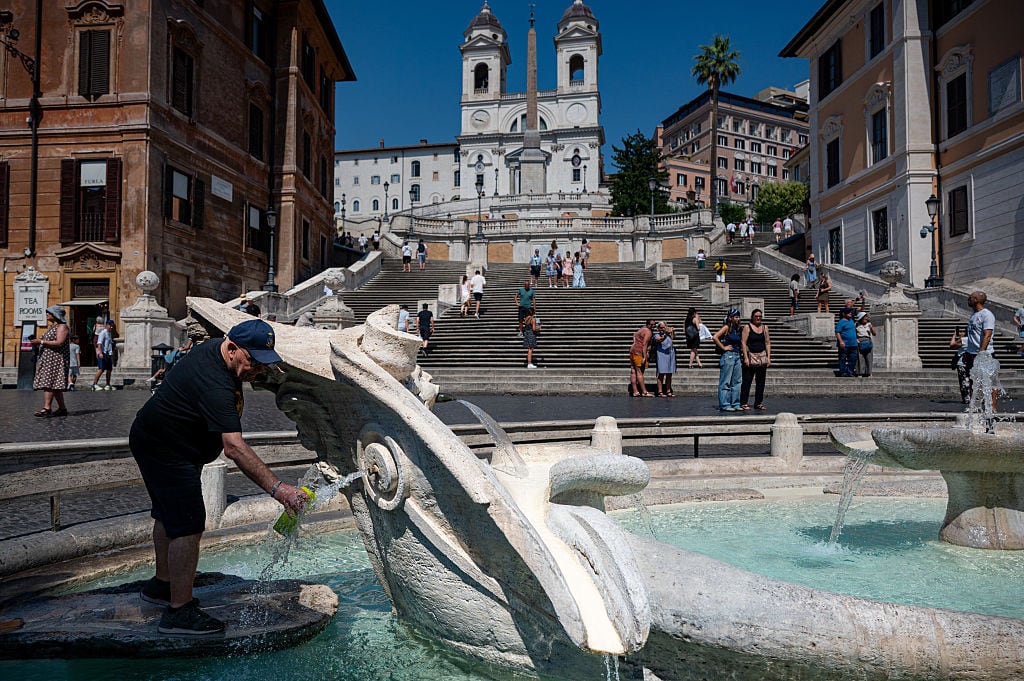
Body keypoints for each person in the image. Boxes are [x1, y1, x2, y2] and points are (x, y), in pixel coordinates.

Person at [131, 319, 308, 636]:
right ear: (231, 348)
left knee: (168, 514)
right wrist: (279, 490)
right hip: (168, 450)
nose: (257, 370)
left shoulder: (219, 354)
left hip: (157, 439)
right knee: (188, 524)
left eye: (262, 362)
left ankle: (162, 584)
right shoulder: (216, 384)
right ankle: (179, 613)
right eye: (252, 360)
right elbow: (234, 448)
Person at [32, 305, 71, 417]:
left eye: (49, 313)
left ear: (55, 315)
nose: (47, 314)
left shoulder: (62, 327)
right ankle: (62, 409)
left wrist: (41, 342)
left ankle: (47, 408)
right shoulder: (53, 326)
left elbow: (59, 342)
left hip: (56, 359)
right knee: (55, 386)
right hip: (49, 359)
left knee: (48, 384)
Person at [963, 290, 996, 405]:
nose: (968, 299)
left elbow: (987, 335)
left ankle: (992, 408)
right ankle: (974, 406)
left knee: (989, 381)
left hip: (984, 353)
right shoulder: (974, 315)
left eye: (970, 298)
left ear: (976, 300)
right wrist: (967, 351)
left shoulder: (987, 315)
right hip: (971, 353)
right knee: (972, 380)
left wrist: (980, 353)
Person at [740, 309, 771, 411]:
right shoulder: (747, 327)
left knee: (761, 381)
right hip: (750, 357)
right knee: (747, 381)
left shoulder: (765, 327)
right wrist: (745, 357)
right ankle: (744, 402)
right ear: (752, 317)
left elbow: (767, 343)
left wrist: (768, 357)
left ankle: (758, 402)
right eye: (756, 316)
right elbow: (743, 342)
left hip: (761, 357)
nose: (758, 318)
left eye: (760, 316)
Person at [713, 309, 743, 411]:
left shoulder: (738, 329)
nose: (738, 319)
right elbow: (715, 337)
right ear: (730, 318)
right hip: (728, 356)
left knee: (737, 381)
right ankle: (725, 404)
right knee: (726, 381)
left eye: (738, 317)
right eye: (736, 317)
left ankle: (735, 403)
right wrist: (724, 347)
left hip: (737, 356)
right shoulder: (726, 328)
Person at [629, 319, 655, 398]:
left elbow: (634, 334)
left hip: (632, 351)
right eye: (651, 325)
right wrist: (644, 356)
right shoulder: (648, 332)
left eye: (654, 325)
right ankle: (644, 392)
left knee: (633, 371)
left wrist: (635, 343)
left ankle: (635, 391)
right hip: (639, 353)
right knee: (639, 372)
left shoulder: (641, 329)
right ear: (647, 324)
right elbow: (644, 344)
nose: (653, 326)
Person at [653, 321, 677, 397]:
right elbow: (659, 340)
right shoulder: (656, 335)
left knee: (669, 374)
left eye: (664, 327)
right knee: (661, 373)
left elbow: (673, 338)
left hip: (670, 354)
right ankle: (660, 391)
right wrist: (666, 334)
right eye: (661, 327)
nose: (662, 329)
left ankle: (668, 390)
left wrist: (673, 332)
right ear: (658, 328)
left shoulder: (668, 335)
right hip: (661, 355)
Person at [92, 319, 116, 390]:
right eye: (110, 326)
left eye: (112, 326)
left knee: (109, 369)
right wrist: (100, 353)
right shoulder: (103, 333)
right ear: (106, 325)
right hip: (103, 353)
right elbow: (99, 343)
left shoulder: (109, 333)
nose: (111, 327)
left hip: (108, 353)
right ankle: (94, 384)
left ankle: (108, 384)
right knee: (101, 369)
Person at [835, 307, 858, 377]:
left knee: (853, 358)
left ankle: (850, 371)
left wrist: (856, 339)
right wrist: (841, 341)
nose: (850, 313)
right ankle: (843, 372)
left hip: (853, 344)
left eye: (850, 312)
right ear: (843, 314)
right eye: (848, 312)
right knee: (843, 358)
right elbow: (837, 332)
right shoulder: (841, 322)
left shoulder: (851, 320)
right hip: (844, 344)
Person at [950, 326, 970, 404]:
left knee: (963, 382)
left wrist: (955, 335)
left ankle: (966, 398)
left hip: (962, 363)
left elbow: (951, 345)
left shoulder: (964, 340)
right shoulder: (976, 340)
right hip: (972, 362)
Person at [855, 311, 876, 378]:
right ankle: (860, 372)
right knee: (860, 357)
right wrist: (856, 339)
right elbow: (854, 333)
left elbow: (874, 334)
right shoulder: (856, 324)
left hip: (868, 340)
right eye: (864, 317)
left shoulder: (869, 324)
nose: (866, 319)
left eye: (866, 317)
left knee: (869, 357)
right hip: (860, 340)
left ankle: (869, 373)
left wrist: (871, 328)